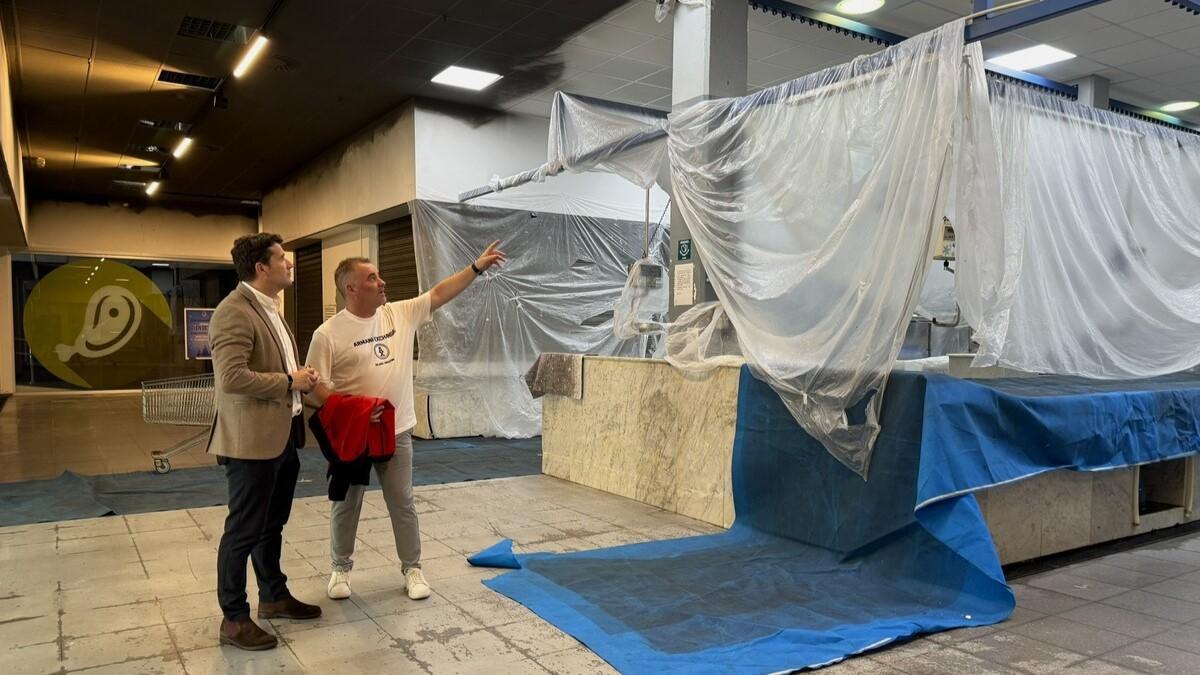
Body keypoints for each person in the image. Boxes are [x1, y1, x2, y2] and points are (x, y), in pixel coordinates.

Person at [305, 241, 507, 601]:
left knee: (402, 502)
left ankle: (412, 569)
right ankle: (340, 569)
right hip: (353, 435)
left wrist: (476, 268)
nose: (382, 282)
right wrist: (355, 409)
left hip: (396, 433)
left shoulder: (399, 313)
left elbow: (440, 293)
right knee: (346, 503)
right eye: (372, 278)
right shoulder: (327, 335)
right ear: (351, 288)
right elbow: (313, 388)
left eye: (379, 275)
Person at [207, 233, 323, 650]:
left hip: (282, 437)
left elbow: (274, 367)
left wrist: (299, 377)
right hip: (251, 444)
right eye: (282, 258)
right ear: (261, 267)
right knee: (243, 530)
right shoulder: (233, 312)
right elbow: (232, 378)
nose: (289, 264)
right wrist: (290, 380)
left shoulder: (270, 308)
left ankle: (273, 596)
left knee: (271, 524)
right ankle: (234, 619)